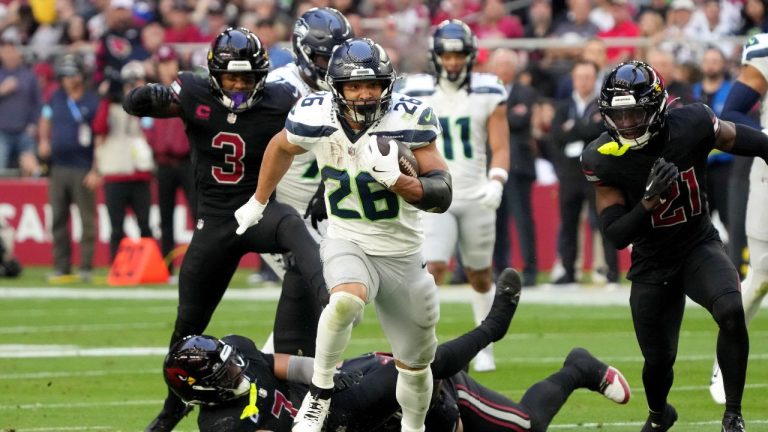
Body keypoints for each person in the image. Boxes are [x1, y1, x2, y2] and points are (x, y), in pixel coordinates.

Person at [234, 38, 451, 432]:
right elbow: (280, 147)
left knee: (417, 366)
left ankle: (415, 428)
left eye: (373, 85)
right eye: (354, 86)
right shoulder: (314, 114)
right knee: (346, 299)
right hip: (347, 238)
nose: (365, 95)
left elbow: (442, 192)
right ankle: (319, 392)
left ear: (388, 86)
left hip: (402, 254)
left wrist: (400, 182)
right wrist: (259, 200)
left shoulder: (409, 118)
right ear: (337, 88)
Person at [122, 28, 328, 432]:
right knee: (188, 326)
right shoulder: (193, 93)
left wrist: (323, 185)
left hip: (258, 210)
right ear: (215, 75)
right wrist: (145, 98)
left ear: (262, 76)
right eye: (231, 77)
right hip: (215, 223)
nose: (238, 86)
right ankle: (171, 409)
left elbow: (327, 139)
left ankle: (333, 294)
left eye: (246, 78)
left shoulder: (282, 101)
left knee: (295, 230)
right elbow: (137, 104)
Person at [162, 268, 633, 432]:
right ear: (201, 393)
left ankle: (499, 332)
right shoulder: (222, 424)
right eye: (223, 377)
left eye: (230, 363)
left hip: (347, 401)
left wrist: (331, 376)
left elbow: (284, 365)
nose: (236, 371)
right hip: (344, 425)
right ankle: (573, 365)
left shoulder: (241, 355)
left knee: (522, 426)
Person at [581, 60, 768, 432]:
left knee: (731, 309)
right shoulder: (601, 157)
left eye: (636, 113)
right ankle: (658, 414)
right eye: (620, 116)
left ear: (656, 107)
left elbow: (736, 137)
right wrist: (647, 202)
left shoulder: (693, 123)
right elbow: (616, 236)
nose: (628, 124)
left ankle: (732, 414)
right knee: (659, 360)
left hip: (697, 244)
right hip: (651, 261)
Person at [401, 19, 509, 372]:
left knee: (480, 273)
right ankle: (425, 343)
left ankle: (485, 343)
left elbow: (500, 144)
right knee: (434, 268)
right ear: (435, 56)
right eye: (446, 55)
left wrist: (497, 178)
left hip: (477, 194)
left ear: (469, 56)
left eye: (458, 55)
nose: (452, 62)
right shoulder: (416, 91)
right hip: (436, 192)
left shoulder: (489, 91)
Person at [258, 6, 353, 353]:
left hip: (328, 215)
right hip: (287, 215)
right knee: (329, 298)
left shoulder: (352, 84)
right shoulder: (280, 88)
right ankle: (273, 372)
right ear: (302, 51)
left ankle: (277, 373)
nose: (329, 66)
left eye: (336, 57)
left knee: (335, 303)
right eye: (322, 57)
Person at [709, 32, 768, 406]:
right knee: (761, 277)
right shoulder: (764, 53)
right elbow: (728, 113)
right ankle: (723, 358)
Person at [545, 60, 618, 285]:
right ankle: (569, 271)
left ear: (594, 80)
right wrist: (584, 130)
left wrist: (575, 128)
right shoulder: (563, 106)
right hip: (569, 174)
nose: (584, 82)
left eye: (588, 77)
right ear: (573, 80)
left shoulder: (603, 106)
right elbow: (556, 137)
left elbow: (601, 131)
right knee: (568, 223)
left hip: (596, 173)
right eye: (580, 77)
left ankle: (611, 272)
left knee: (603, 222)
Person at [37, 54, 101, 281]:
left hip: (83, 167)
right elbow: (45, 117)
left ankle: (85, 267)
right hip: (59, 166)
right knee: (58, 218)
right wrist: (43, 139)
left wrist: (96, 169)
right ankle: (61, 265)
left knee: (86, 219)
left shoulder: (93, 101)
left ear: (81, 76)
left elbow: (100, 137)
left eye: (71, 75)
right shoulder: (56, 96)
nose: (67, 80)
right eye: (64, 76)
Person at [143, 45, 196, 276]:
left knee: (198, 214)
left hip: (187, 161)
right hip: (164, 163)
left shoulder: (188, 91)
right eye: (163, 64)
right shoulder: (154, 93)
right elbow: (147, 126)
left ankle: (200, 267)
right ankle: (167, 267)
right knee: (165, 217)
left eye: (170, 63)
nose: (167, 68)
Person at [93, 60, 154, 262]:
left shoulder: (153, 108)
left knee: (145, 225)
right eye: (129, 83)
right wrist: (105, 98)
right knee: (116, 227)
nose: (133, 87)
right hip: (116, 173)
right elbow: (99, 128)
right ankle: (116, 267)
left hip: (141, 173)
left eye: (137, 82)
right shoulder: (111, 107)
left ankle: (149, 265)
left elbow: (152, 135)